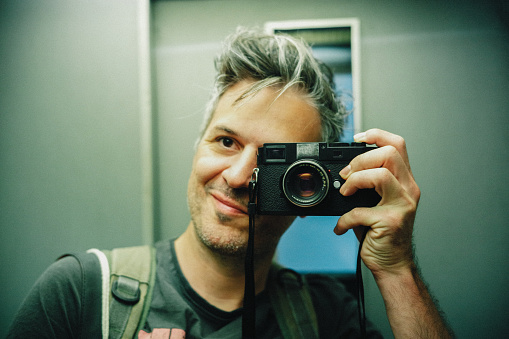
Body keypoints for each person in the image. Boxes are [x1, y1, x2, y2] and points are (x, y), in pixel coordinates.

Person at [7, 27, 452, 338]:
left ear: (312, 191)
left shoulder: (327, 317)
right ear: (197, 145)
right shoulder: (83, 295)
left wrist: (397, 271)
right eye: (225, 141)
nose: (239, 177)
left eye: (274, 163)